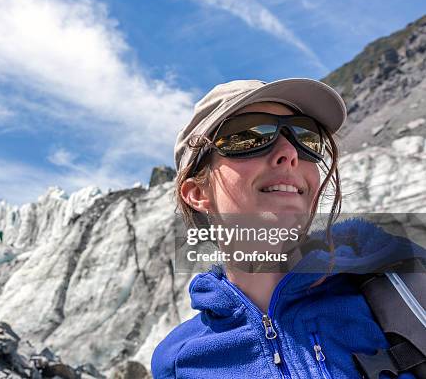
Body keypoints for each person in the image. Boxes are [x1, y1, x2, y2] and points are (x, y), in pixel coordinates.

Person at [151, 79, 419, 378]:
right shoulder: (178, 363)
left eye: (307, 138)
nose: (290, 152)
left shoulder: (408, 289)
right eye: (248, 135)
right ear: (198, 193)